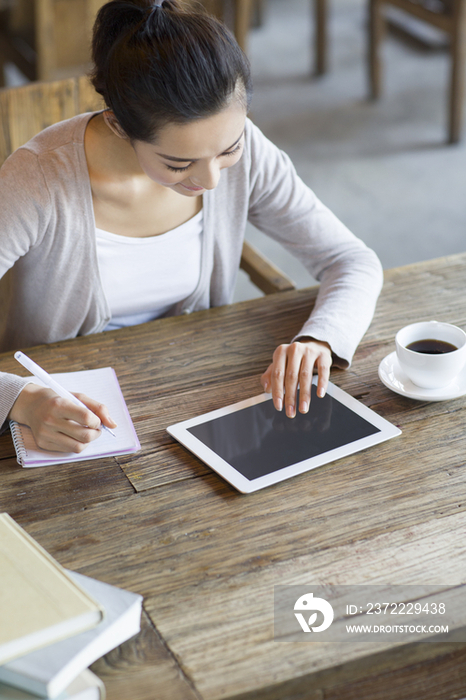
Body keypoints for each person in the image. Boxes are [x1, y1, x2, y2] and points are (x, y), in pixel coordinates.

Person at [0, 0, 383, 454]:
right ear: (119, 127)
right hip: (66, 421)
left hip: (194, 395)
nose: (211, 181)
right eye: (178, 163)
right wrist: (18, 398)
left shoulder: (251, 155)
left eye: (229, 148)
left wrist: (321, 336)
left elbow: (351, 260)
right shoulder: (37, 181)